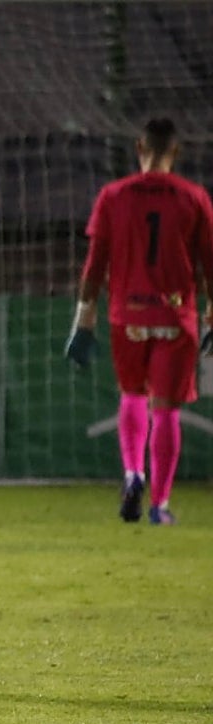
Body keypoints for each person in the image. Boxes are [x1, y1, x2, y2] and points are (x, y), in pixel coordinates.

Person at [65, 116, 213, 525]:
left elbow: (95, 265)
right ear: (176, 153)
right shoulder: (195, 197)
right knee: (165, 410)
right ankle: (159, 505)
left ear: (139, 149)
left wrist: (84, 320)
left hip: (127, 314)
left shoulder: (114, 195)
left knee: (132, 395)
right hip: (175, 314)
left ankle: (133, 474)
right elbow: (210, 262)